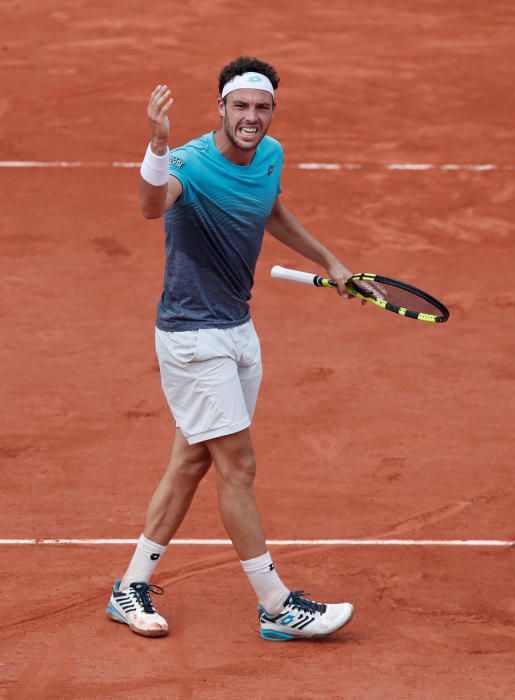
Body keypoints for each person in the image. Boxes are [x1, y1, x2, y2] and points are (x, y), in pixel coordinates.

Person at [107, 56, 354, 640]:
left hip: (239, 330)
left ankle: (129, 587)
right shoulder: (189, 164)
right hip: (193, 338)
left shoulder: (270, 156)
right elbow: (149, 206)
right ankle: (276, 605)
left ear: (272, 112)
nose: (251, 117)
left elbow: (270, 210)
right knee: (237, 465)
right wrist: (157, 143)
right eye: (240, 106)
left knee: (193, 460)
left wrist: (331, 261)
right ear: (219, 108)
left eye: (261, 108)